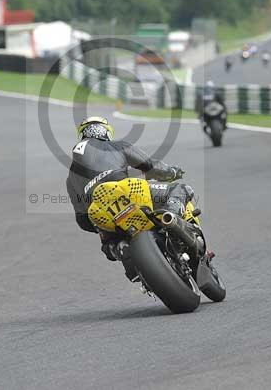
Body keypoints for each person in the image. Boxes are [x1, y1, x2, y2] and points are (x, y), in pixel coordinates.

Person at [66, 117, 197, 278]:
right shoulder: (116, 146)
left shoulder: (71, 176)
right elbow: (150, 166)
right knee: (181, 188)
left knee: (108, 241)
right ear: (106, 131)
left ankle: (120, 250)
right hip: (126, 188)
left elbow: (82, 220)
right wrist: (172, 172)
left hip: (99, 209)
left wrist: (102, 229)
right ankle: (171, 218)